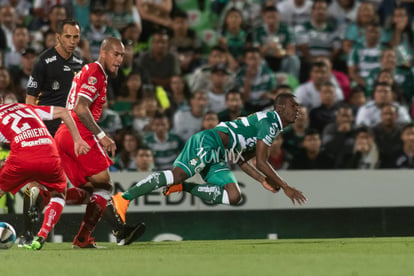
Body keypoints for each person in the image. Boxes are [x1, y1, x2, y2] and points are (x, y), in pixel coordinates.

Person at [116, 93, 306, 216]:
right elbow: (263, 162)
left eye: (298, 106)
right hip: (209, 141)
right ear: (280, 108)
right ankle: (124, 198)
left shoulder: (270, 124)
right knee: (176, 175)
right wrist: (285, 186)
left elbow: (242, 158)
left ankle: (184, 187)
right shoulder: (271, 123)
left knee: (233, 196)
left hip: (219, 153)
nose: (297, 110)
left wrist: (261, 180)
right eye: (293, 105)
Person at [54, 37, 144, 248]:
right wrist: (101, 134)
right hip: (79, 132)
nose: (120, 59)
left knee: (90, 190)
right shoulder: (96, 72)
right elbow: (81, 108)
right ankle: (108, 232)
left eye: (122, 55)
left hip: (64, 133)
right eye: (116, 54)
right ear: (103, 52)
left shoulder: (90, 71)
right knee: (104, 185)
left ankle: (51, 198)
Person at [0, 102, 91, 250]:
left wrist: (4, 163)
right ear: (2, 100)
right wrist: (78, 140)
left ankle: (27, 235)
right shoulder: (24, 107)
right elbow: (63, 112)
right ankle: (41, 234)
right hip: (49, 153)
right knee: (59, 195)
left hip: (22, 157)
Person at [26, 19, 83, 136]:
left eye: (75, 37)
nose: (72, 41)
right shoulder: (43, 62)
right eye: (67, 36)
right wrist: (34, 128)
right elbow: (30, 98)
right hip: (47, 127)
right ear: (58, 37)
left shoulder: (80, 63)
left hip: (70, 128)